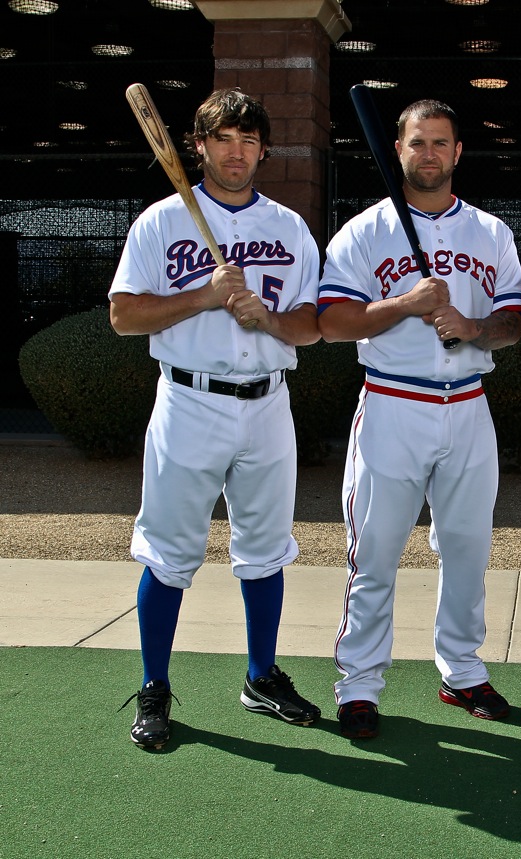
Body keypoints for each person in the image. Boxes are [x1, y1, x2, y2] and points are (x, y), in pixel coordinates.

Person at [110, 88, 323, 750]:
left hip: (267, 403)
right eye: (223, 139)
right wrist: (203, 296)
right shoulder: (160, 221)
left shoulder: (288, 227)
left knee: (265, 549)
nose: (237, 152)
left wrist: (269, 318)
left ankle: (260, 676)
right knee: (171, 552)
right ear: (197, 146)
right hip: (188, 401)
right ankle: (154, 685)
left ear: (263, 149)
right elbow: (123, 315)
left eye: (249, 140)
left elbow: (313, 324)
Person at [317, 99, 521, 740]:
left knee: (466, 549)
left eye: (440, 143)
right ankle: (359, 685)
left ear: (458, 152)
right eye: (416, 143)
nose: (428, 154)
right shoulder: (364, 231)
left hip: (466, 405)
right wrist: (403, 305)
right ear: (398, 151)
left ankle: (461, 670)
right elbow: (331, 323)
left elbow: (513, 323)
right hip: (392, 403)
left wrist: (474, 328)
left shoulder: (489, 233)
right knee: (374, 552)